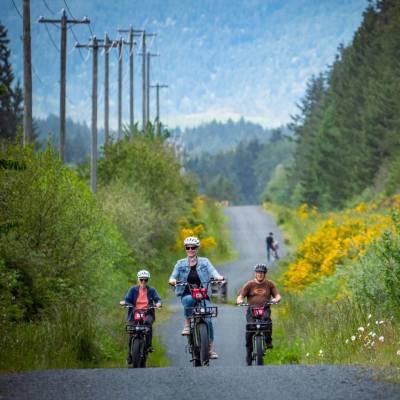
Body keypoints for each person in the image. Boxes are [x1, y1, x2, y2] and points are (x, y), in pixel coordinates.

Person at [169, 236, 224, 359]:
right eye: (187, 247)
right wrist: (172, 280)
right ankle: (187, 323)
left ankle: (209, 349)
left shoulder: (204, 262)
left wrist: (218, 277)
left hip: (203, 296)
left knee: (209, 319)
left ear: (197, 249)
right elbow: (173, 276)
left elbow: (213, 271)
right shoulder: (180, 263)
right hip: (187, 294)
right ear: (185, 249)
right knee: (190, 299)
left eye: (193, 247)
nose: (190, 250)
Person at [236, 263, 281, 366]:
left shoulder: (270, 284)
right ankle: (248, 353)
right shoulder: (249, 284)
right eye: (258, 272)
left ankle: (268, 341)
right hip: (251, 310)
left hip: (265, 309)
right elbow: (240, 296)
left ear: (265, 274)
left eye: (262, 272)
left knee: (267, 322)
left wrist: (275, 299)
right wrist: (240, 301)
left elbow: (277, 295)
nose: (260, 274)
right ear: (255, 273)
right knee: (250, 329)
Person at [121, 269, 161, 365]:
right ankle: (130, 355)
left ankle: (148, 345)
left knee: (147, 325)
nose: (143, 281)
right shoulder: (132, 290)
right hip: (134, 313)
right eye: (141, 279)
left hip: (148, 313)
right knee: (132, 331)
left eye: (145, 280)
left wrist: (158, 303)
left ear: (148, 280)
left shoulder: (152, 290)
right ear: (138, 279)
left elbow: (157, 299)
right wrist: (124, 302)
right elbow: (127, 299)